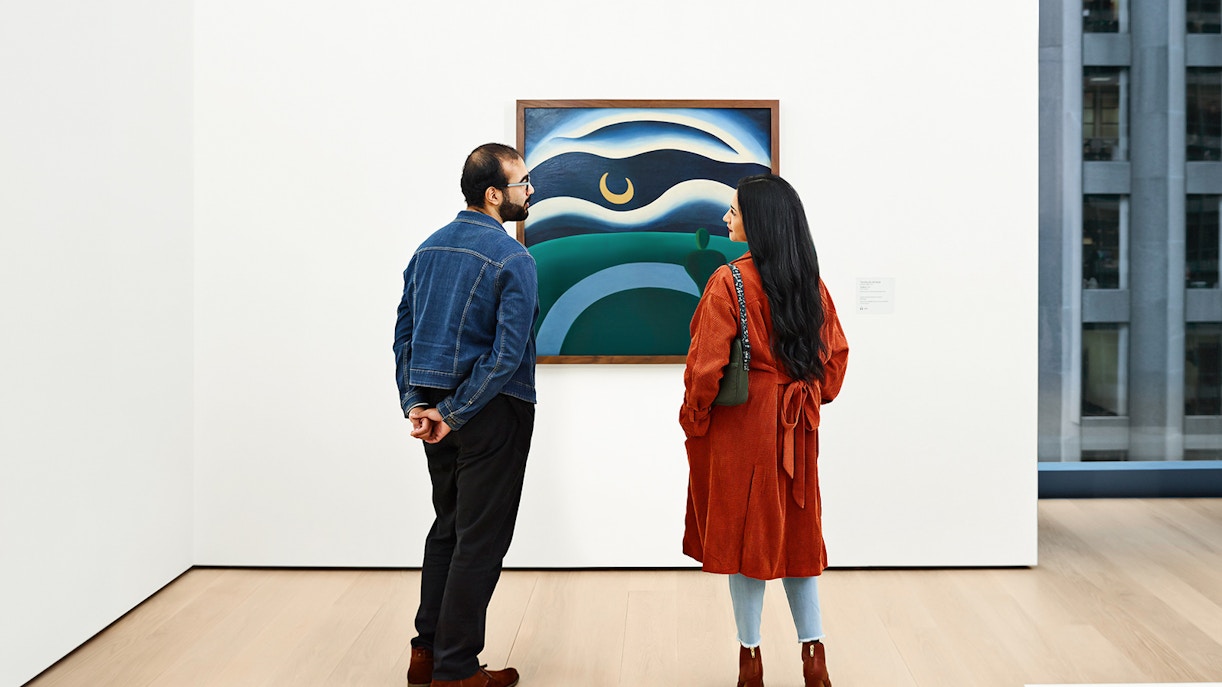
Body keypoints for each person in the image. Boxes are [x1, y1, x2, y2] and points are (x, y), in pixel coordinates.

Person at [679, 174, 849, 687]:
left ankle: (750, 659)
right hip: (798, 428)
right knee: (799, 537)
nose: (726, 218)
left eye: (733, 210)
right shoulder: (810, 283)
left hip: (742, 428)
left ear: (758, 221)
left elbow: (704, 368)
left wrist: (694, 417)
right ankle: (814, 655)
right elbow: (835, 364)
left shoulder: (728, 281)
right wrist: (806, 394)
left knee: (742, 538)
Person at [394, 142, 538, 687]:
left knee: (448, 529)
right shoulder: (513, 258)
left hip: (437, 412)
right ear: (494, 194)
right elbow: (506, 353)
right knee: (480, 539)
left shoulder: (427, 250)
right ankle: (456, 669)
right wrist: (454, 412)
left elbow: (404, 336)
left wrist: (418, 404)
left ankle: (426, 654)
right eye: (522, 183)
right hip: (491, 412)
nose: (530, 191)